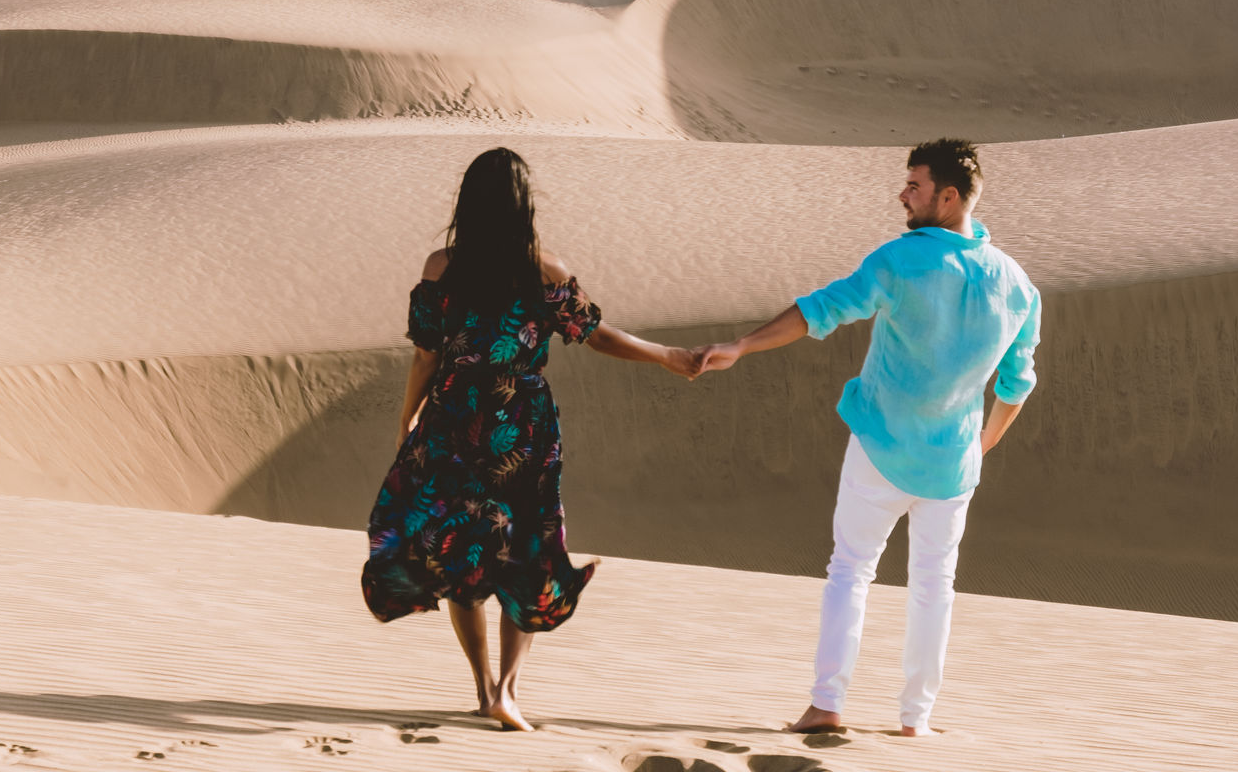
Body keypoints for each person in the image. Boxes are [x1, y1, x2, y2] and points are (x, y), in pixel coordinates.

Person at [696, 138, 1040, 737]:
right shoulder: (1017, 285)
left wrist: (742, 345)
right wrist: (982, 444)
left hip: (881, 449)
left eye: (915, 185)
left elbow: (821, 309)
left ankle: (827, 703)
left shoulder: (901, 260)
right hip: (953, 465)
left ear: (949, 196)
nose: (902, 194)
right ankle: (917, 719)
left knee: (851, 570)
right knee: (935, 587)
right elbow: (1017, 385)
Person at [362, 147, 702, 732]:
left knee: (464, 551)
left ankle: (485, 688)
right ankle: (509, 693)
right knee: (526, 550)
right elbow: (595, 335)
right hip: (523, 425)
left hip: (455, 421)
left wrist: (407, 416)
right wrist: (666, 356)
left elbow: (425, 353)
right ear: (524, 204)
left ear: (467, 202)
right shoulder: (544, 270)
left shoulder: (441, 266)